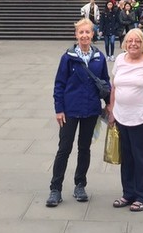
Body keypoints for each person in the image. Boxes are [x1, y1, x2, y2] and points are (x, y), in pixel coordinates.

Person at [47, 18, 110, 207]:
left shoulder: (99, 57)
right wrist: (59, 109)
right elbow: (59, 84)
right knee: (64, 149)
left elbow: (105, 82)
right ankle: (55, 188)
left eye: (87, 32)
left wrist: (109, 104)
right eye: (81, 32)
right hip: (70, 110)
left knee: (84, 148)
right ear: (76, 35)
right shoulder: (67, 57)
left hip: (90, 109)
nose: (84, 36)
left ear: (93, 34)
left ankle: (80, 185)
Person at [106, 27, 143, 212]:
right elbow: (114, 87)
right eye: (130, 41)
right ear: (125, 43)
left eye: (138, 41)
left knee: (141, 157)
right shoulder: (120, 59)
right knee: (126, 157)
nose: (133, 44)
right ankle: (128, 193)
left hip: (141, 117)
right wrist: (111, 110)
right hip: (121, 116)